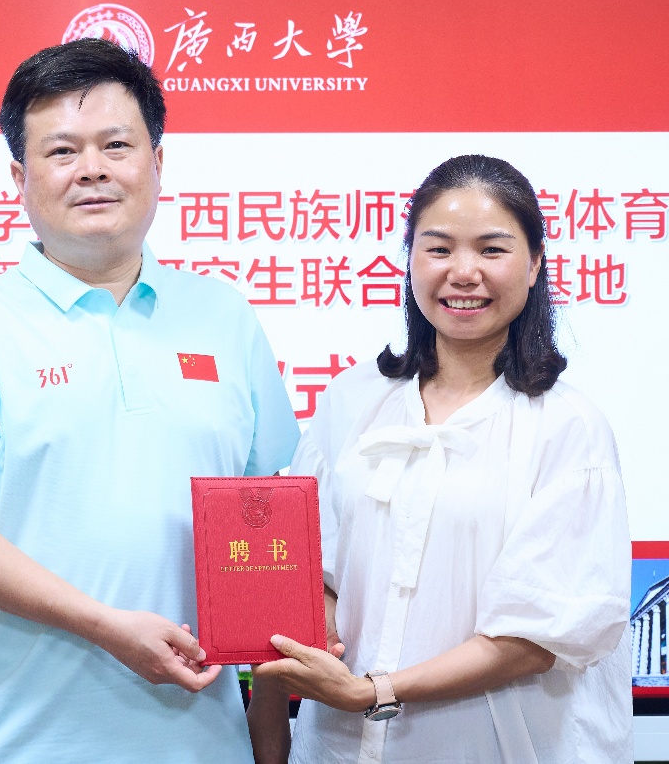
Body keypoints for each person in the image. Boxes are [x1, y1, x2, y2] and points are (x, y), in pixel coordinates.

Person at [0, 38, 300, 764]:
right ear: (20, 178)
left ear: (157, 162)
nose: (93, 170)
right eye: (62, 151)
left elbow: (274, 519)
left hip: (207, 745)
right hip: (26, 745)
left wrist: (269, 724)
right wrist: (106, 626)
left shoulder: (224, 316)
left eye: (116, 145)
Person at [247, 155, 632, 763]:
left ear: (535, 263)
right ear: (410, 260)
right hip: (343, 748)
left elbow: (538, 637)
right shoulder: (352, 401)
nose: (463, 272)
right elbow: (310, 568)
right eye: (439, 249)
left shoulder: (569, 429)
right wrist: (319, 625)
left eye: (492, 250)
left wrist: (375, 691)